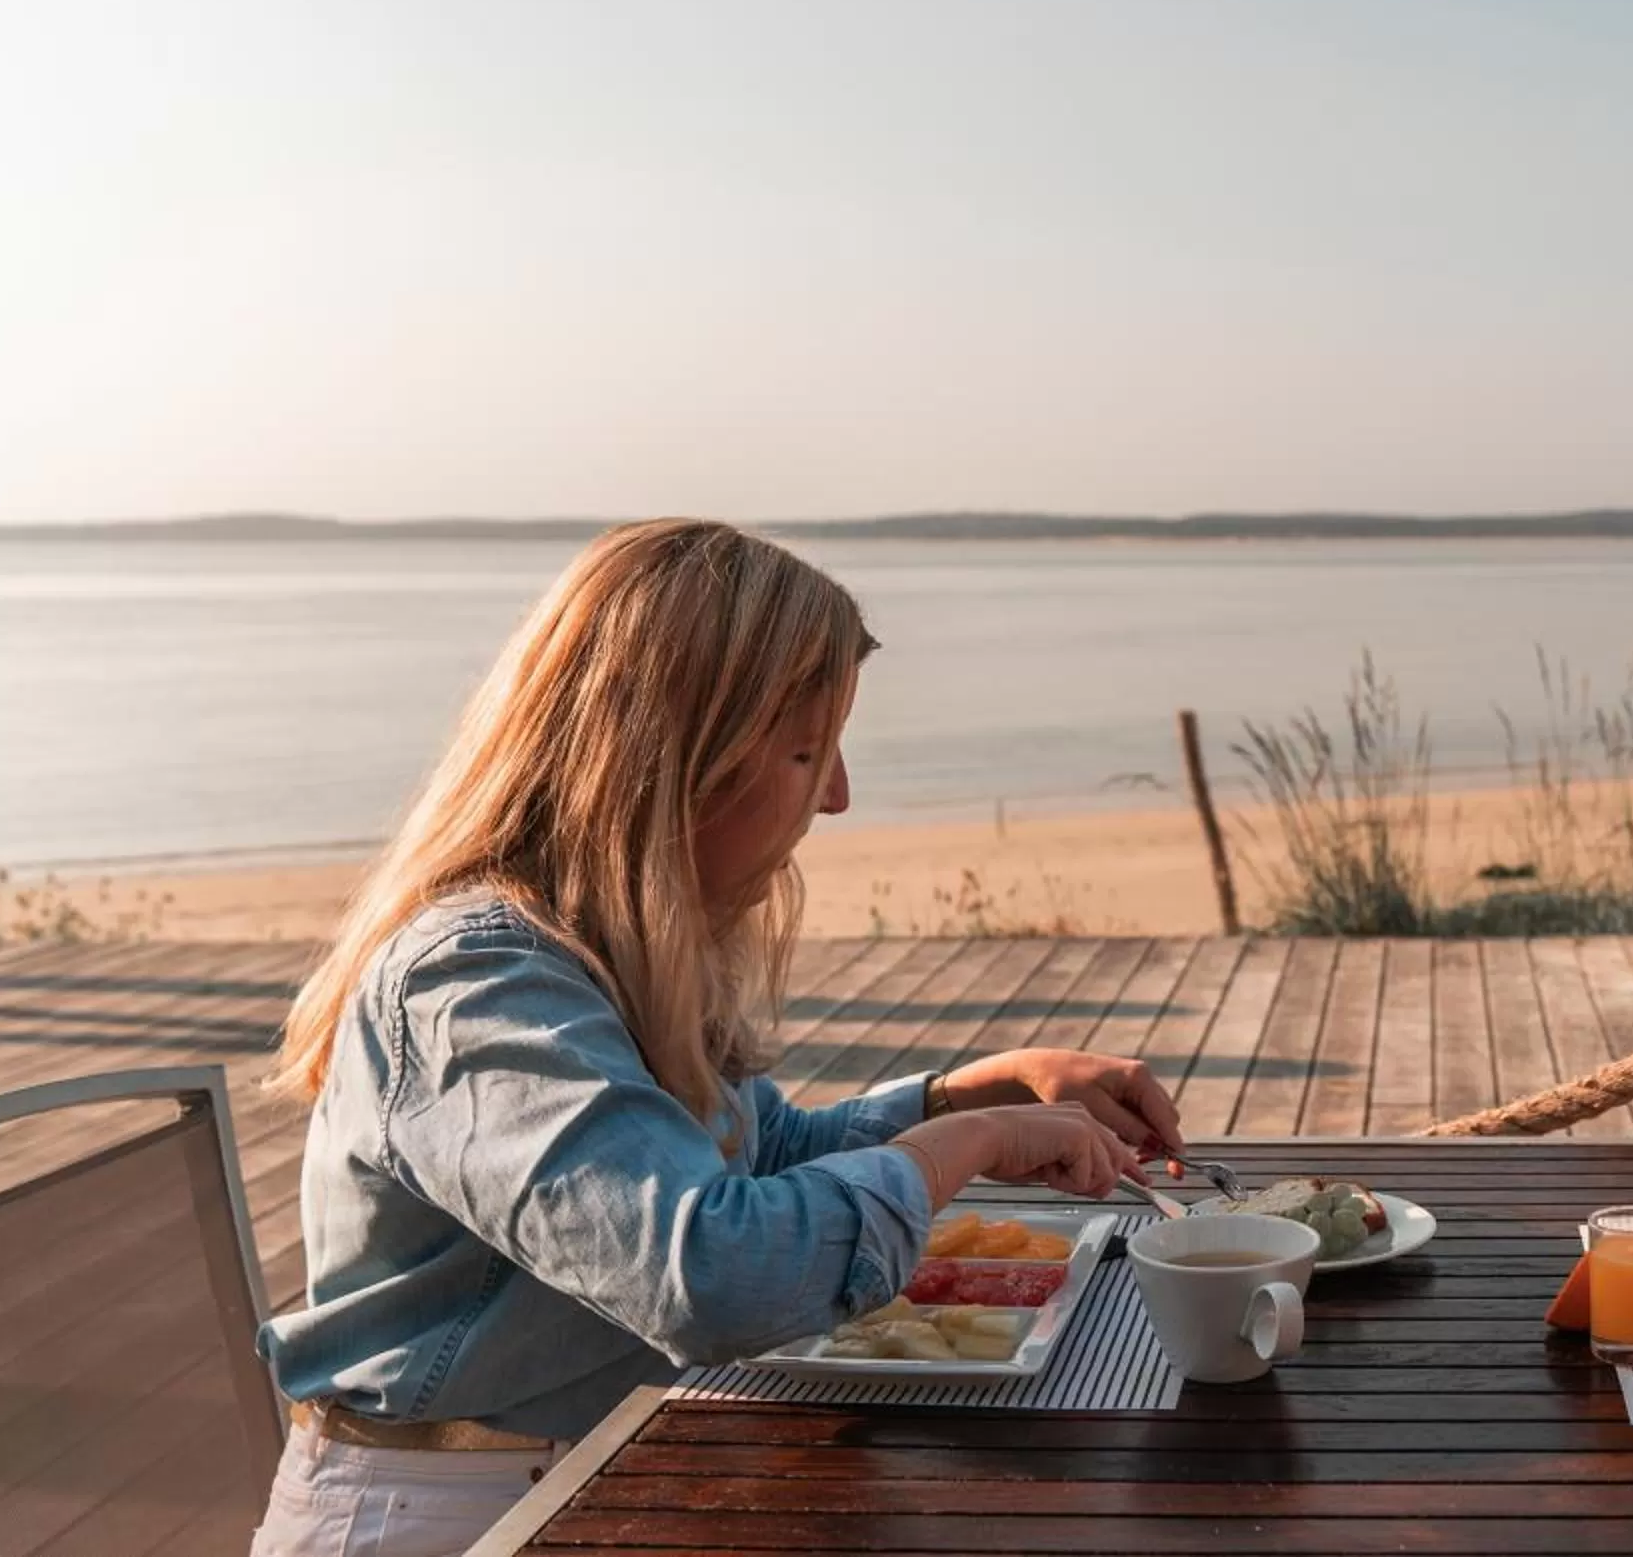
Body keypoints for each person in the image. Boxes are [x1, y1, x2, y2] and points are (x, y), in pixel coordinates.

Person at [251, 521, 1189, 1557]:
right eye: (803, 749)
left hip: (605, 1470)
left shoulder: (601, 949)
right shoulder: (477, 981)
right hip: (451, 1514)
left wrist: (964, 1097)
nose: (835, 793)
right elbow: (709, 1271)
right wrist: (969, 1150)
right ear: (669, 757)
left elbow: (752, 1163)